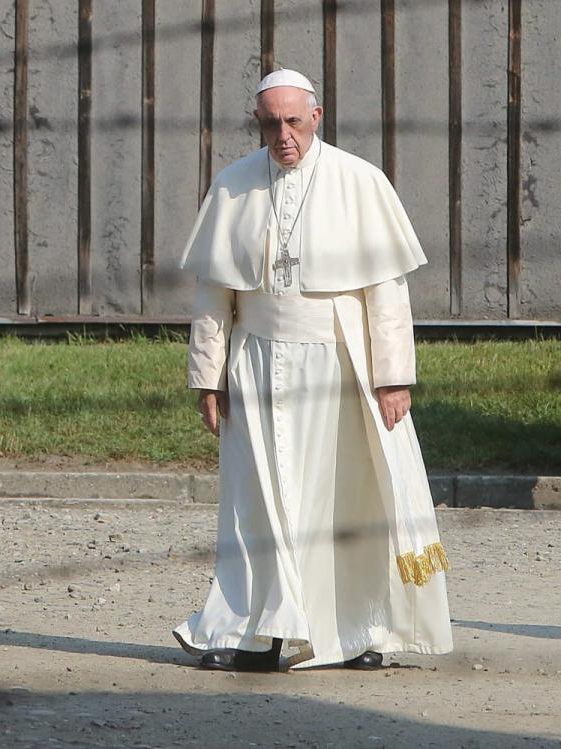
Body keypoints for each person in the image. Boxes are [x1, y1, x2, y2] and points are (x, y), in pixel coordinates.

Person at [172, 69, 454, 672]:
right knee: (259, 505)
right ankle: (256, 633)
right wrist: (207, 378)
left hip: (339, 363)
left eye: (293, 122)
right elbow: (214, 295)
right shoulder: (233, 185)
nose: (283, 136)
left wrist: (393, 377)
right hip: (255, 366)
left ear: (316, 116)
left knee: (342, 500)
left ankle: (357, 632)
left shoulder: (359, 182)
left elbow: (387, 291)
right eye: (270, 124)